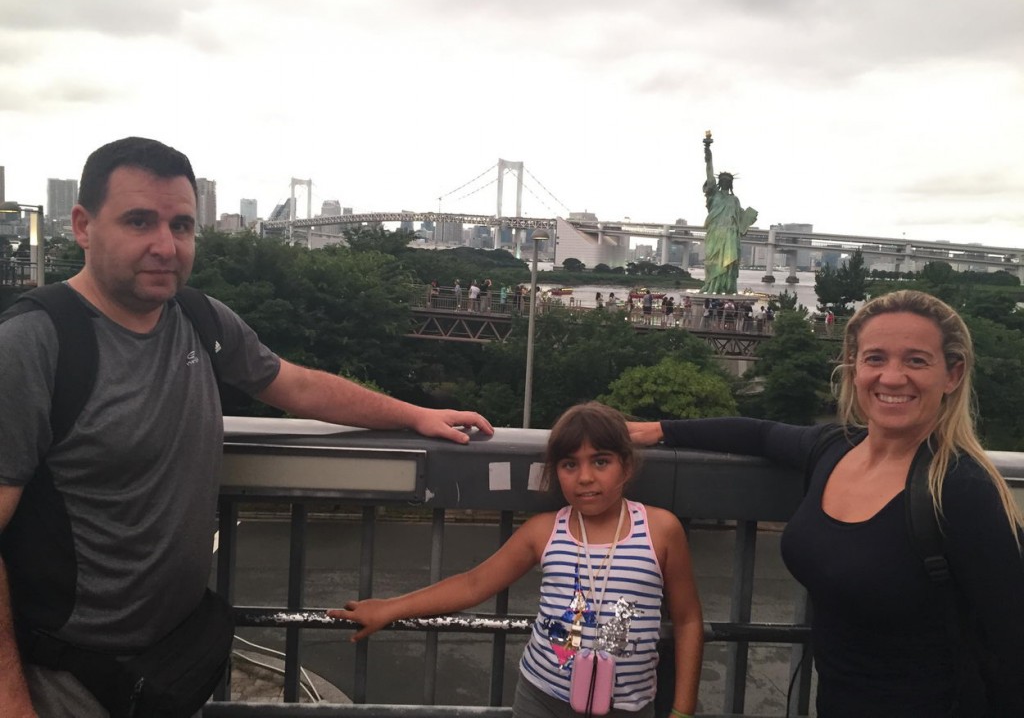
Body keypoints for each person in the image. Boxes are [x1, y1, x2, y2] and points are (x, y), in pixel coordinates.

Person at [0, 137, 494, 717]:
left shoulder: (198, 318)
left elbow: (295, 384)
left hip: (168, 662)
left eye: (181, 226)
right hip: (64, 678)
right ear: (82, 226)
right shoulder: (33, 346)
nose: (165, 245)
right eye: (139, 221)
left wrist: (413, 415)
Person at [628, 290, 1024, 717]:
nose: (891, 377)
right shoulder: (834, 448)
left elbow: (1013, 645)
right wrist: (659, 429)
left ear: (952, 375)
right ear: (854, 369)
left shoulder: (962, 491)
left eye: (916, 360)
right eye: (875, 358)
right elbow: (759, 434)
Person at [329, 402, 704, 718]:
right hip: (542, 698)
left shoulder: (660, 529)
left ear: (626, 465)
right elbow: (473, 583)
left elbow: (687, 620)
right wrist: (390, 608)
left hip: (629, 706)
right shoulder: (544, 531)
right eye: (570, 465)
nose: (585, 477)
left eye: (600, 461)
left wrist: (682, 710)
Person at [699, 132, 757, 295]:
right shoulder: (713, 195)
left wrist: (749, 217)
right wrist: (708, 152)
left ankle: (727, 286)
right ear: (718, 182)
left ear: (730, 183)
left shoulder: (734, 200)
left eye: (727, 180)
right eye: (722, 179)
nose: (724, 181)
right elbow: (709, 172)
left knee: (729, 262)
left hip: (730, 235)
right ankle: (711, 285)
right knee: (712, 261)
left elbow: (741, 219)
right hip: (715, 232)